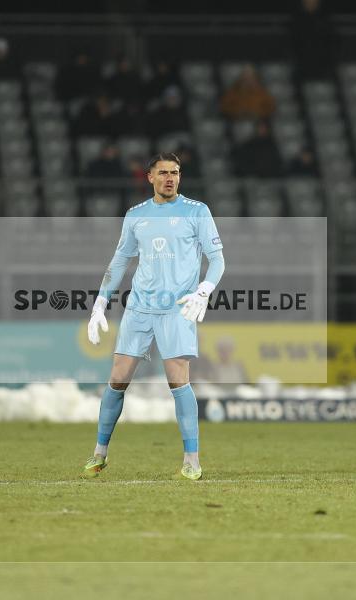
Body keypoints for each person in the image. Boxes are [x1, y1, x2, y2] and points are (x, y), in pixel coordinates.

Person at [83, 153, 225, 481]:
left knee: (179, 381)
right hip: (139, 308)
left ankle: (192, 461)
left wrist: (204, 289)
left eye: (175, 172)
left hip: (177, 309)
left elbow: (217, 260)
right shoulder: (136, 216)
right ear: (150, 177)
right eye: (163, 173)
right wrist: (100, 302)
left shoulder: (197, 211)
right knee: (117, 379)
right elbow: (119, 261)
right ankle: (98, 454)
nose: (170, 178)